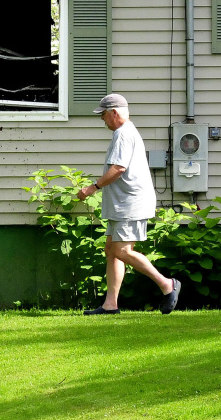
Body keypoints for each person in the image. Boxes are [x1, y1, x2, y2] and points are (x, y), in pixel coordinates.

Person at [77, 93, 181, 315]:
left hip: (129, 203)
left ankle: (167, 284)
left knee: (122, 251)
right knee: (111, 250)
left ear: (114, 113)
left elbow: (118, 168)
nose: (103, 120)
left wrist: (91, 188)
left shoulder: (123, 134)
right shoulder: (124, 133)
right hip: (121, 203)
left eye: (103, 115)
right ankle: (110, 305)